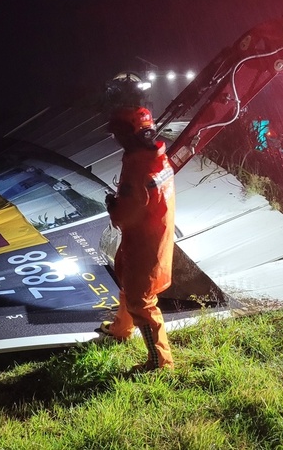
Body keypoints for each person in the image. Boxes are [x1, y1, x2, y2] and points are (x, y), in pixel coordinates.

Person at [98, 106, 176, 370]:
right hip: (150, 236)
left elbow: (126, 214)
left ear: (130, 133)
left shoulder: (138, 168)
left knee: (141, 300)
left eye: (118, 133)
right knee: (129, 285)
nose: (116, 138)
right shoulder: (155, 157)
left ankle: (160, 363)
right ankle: (121, 328)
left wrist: (113, 206)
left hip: (144, 243)